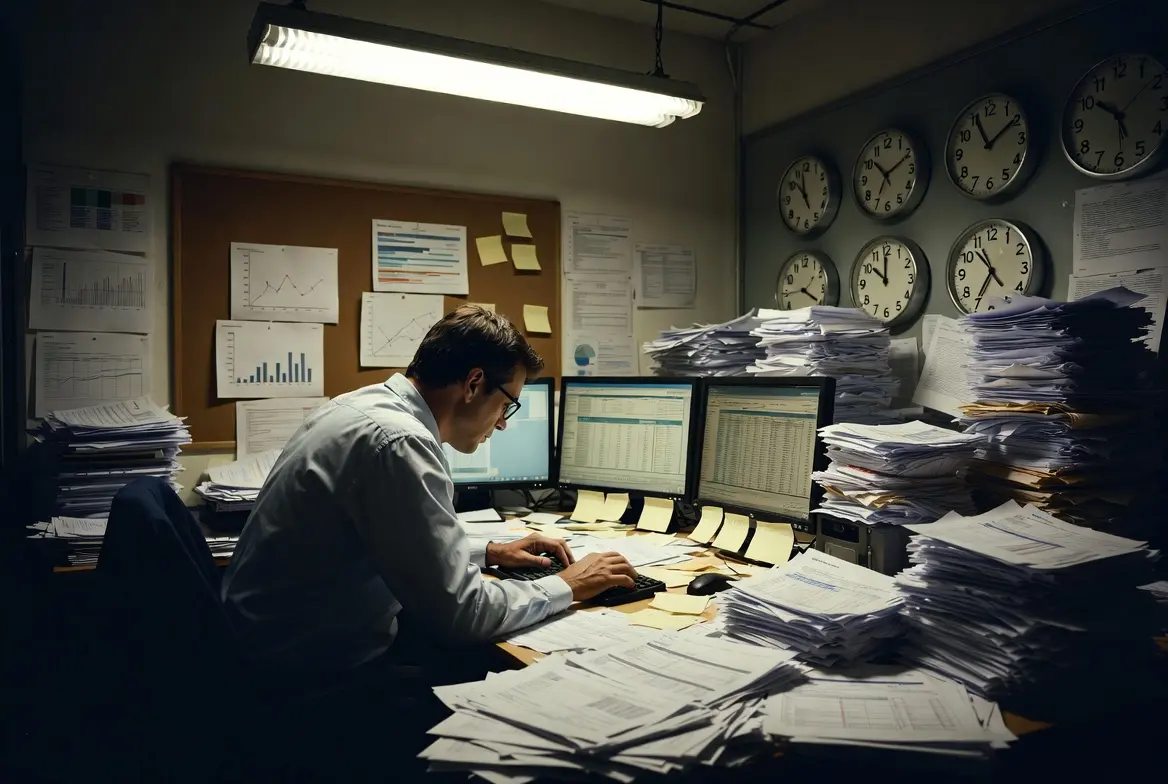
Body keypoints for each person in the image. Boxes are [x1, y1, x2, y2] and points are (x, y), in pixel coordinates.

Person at [221, 305, 637, 679]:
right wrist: (569, 583)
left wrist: (490, 551)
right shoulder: (401, 443)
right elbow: (464, 615)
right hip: (307, 680)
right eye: (507, 403)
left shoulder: (358, 407)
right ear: (474, 383)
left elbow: (392, 541)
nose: (503, 422)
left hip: (265, 650)